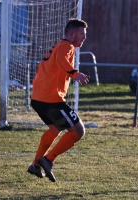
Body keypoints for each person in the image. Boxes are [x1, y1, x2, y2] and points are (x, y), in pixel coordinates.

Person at [27, 18, 89, 182]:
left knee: (55, 129)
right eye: (82, 34)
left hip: (39, 98)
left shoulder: (59, 46)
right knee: (78, 131)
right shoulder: (66, 46)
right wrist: (75, 74)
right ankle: (47, 160)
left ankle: (35, 165)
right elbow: (62, 61)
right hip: (51, 100)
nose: (84, 38)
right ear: (71, 34)